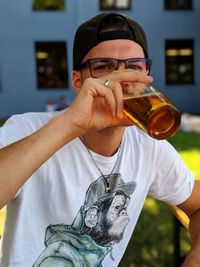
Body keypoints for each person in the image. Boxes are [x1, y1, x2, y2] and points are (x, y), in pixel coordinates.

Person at [0, 12, 200, 267]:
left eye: (134, 67)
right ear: (77, 81)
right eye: (104, 67)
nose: (122, 81)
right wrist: (71, 123)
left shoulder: (149, 149)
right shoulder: (28, 129)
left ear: (147, 76)